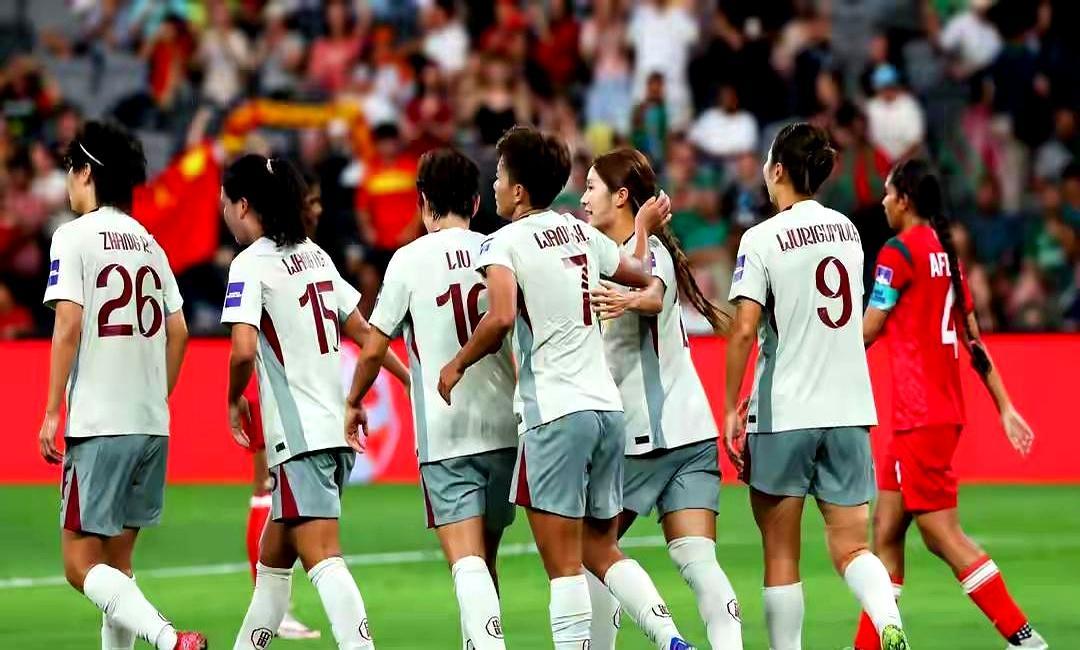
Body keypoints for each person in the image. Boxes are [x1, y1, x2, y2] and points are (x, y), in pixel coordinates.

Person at [437, 126, 696, 650]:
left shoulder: (502, 242)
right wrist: (641, 229)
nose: (494, 184)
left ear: (518, 190)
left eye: (499, 175)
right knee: (601, 550)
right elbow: (640, 272)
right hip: (606, 411)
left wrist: (456, 364)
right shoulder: (580, 233)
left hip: (553, 412)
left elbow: (501, 317)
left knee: (563, 566)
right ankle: (669, 636)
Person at [723, 122, 909, 650]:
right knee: (852, 547)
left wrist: (731, 407)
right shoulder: (847, 231)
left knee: (782, 554)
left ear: (778, 169)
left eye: (767, 161)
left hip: (785, 412)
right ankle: (888, 621)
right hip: (849, 409)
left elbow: (745, 329)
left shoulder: (760, 238)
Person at [853, 159, 1048, 650]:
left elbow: (870, 329)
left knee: (941, 534)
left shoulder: (898, 252)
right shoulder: (946, 256)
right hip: (932, 413)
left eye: (888, 193)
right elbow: (973, 340)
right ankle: (868, 645)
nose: (883, 201)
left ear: (905, 200)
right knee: (887, 530)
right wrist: (1004, 405)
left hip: (919, 416)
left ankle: (1024, 638)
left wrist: (817, 351)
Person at [222, 154, 406, 650]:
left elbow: (243, 349)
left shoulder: (249, 264)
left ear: (243, 205)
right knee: (272, 567)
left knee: (323, 557)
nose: (224, 212)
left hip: (300, 438)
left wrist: (234, 398)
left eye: (225, 202)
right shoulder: (316, 257)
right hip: (333, 433)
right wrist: (408, 378)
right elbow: (363, 331)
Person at [37, 120, 206, 649]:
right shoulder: (150, 244)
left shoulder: (73, 236)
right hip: (150, 425)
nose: (68, 180)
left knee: (79, 565)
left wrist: (51, 410)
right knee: (118, 567)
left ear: (87, 172)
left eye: (71, 168)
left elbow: (68, 323)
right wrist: (157, 395)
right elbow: (179, 331)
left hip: (99, 422)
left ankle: (168, 639)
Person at [345, 148, 517, 650]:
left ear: (422, 201)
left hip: (446, 436)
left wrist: (354, 399)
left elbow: (373, 346)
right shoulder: (496, 250)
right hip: (505, 430)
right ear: (476, 202)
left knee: (466, 565)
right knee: (485, 562)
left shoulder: (408, 259)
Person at [580, 147, 743, 649]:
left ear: (621, 196)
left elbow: (650, 293)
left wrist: (630, 289)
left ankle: (663, 638)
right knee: (697, 559)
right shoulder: (622, 251)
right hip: (692, 430)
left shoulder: (647, 253)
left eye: (591, 187)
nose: (583, 198)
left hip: (642, 438)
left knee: (593, 551)